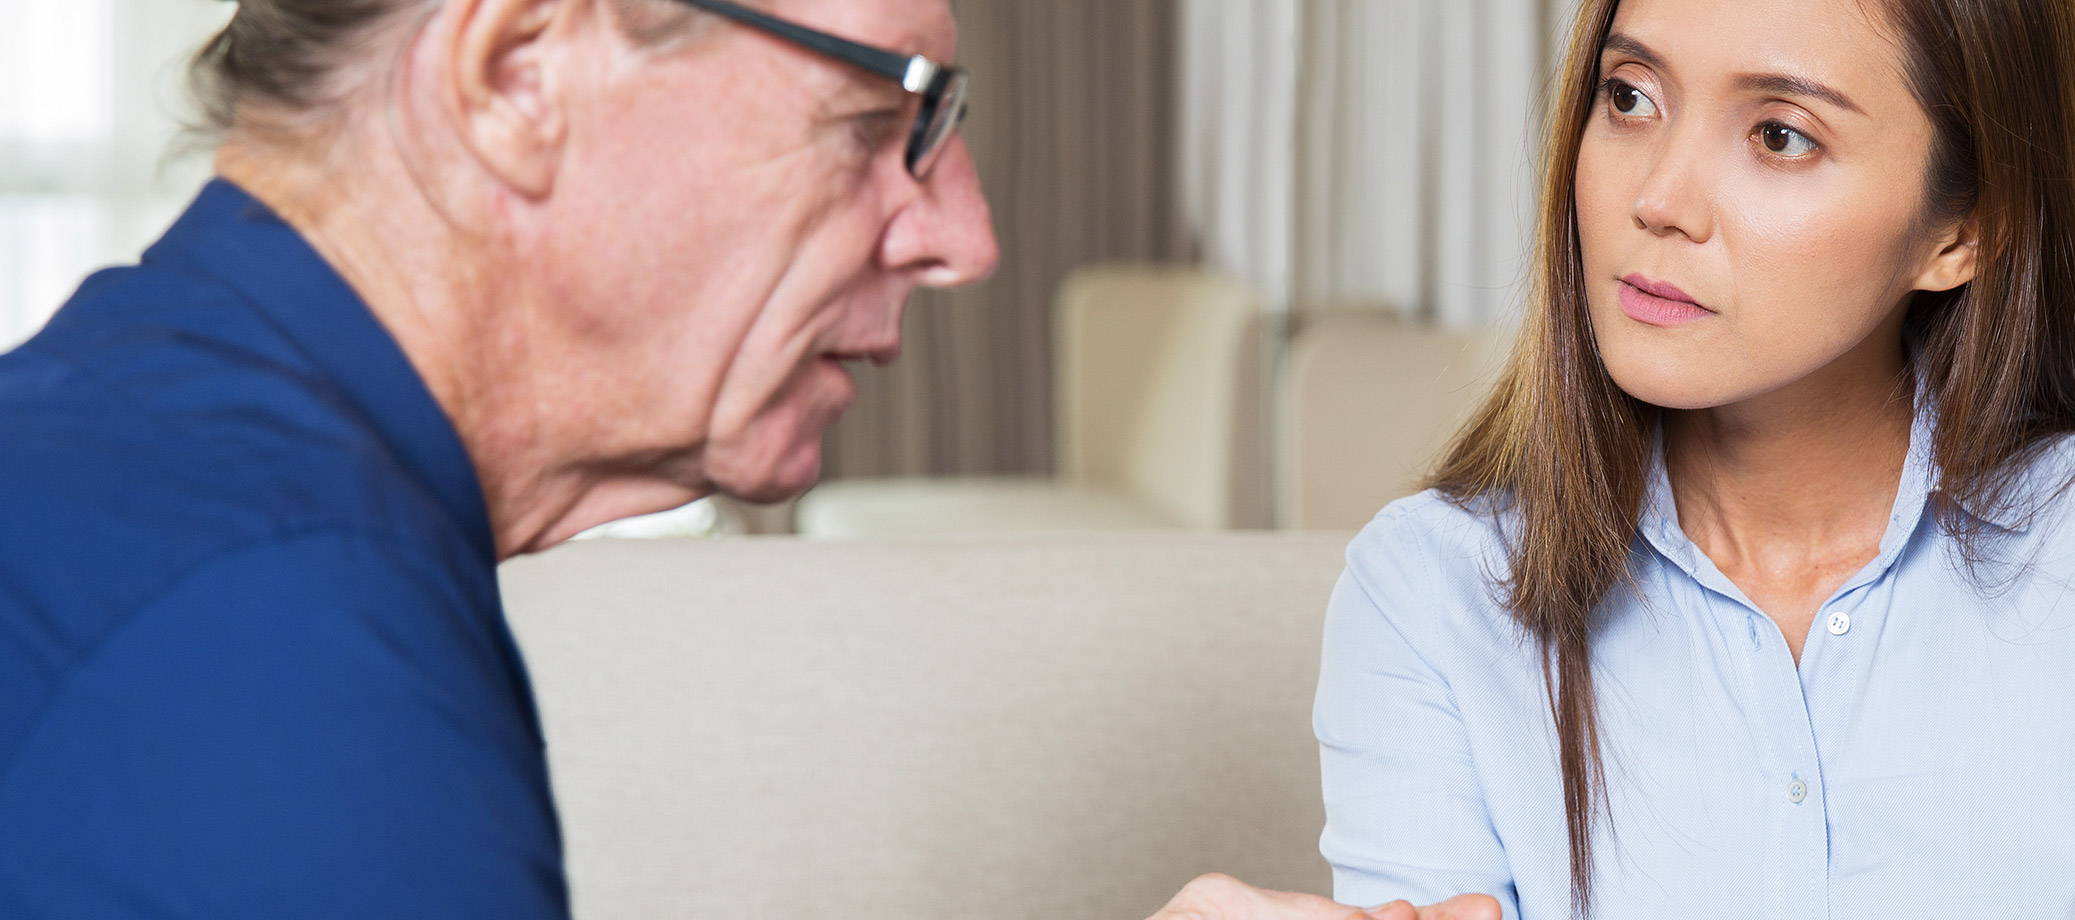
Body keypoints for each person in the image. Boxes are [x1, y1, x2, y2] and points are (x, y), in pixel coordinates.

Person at [0, 0, 1488, 918]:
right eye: (878, 118)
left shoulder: (133, 431)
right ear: (519, 70)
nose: (963, 235)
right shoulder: (279, 650)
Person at [1311, 0, 2075, 917]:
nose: (1659, 198)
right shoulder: (1428, 595)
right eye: (1630, 97)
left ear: (1964, 228)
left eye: (1781, 135)